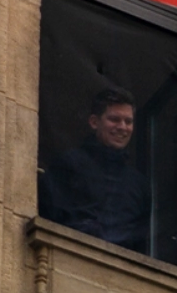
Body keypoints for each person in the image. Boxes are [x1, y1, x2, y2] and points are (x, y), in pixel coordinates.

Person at [38, 87, 151, 252]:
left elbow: (141, 244)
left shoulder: (139, 185)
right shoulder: (69, 164)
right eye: (114, 119)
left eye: (128, 121)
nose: (122, 127)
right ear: (94, 122)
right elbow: (49, 218)